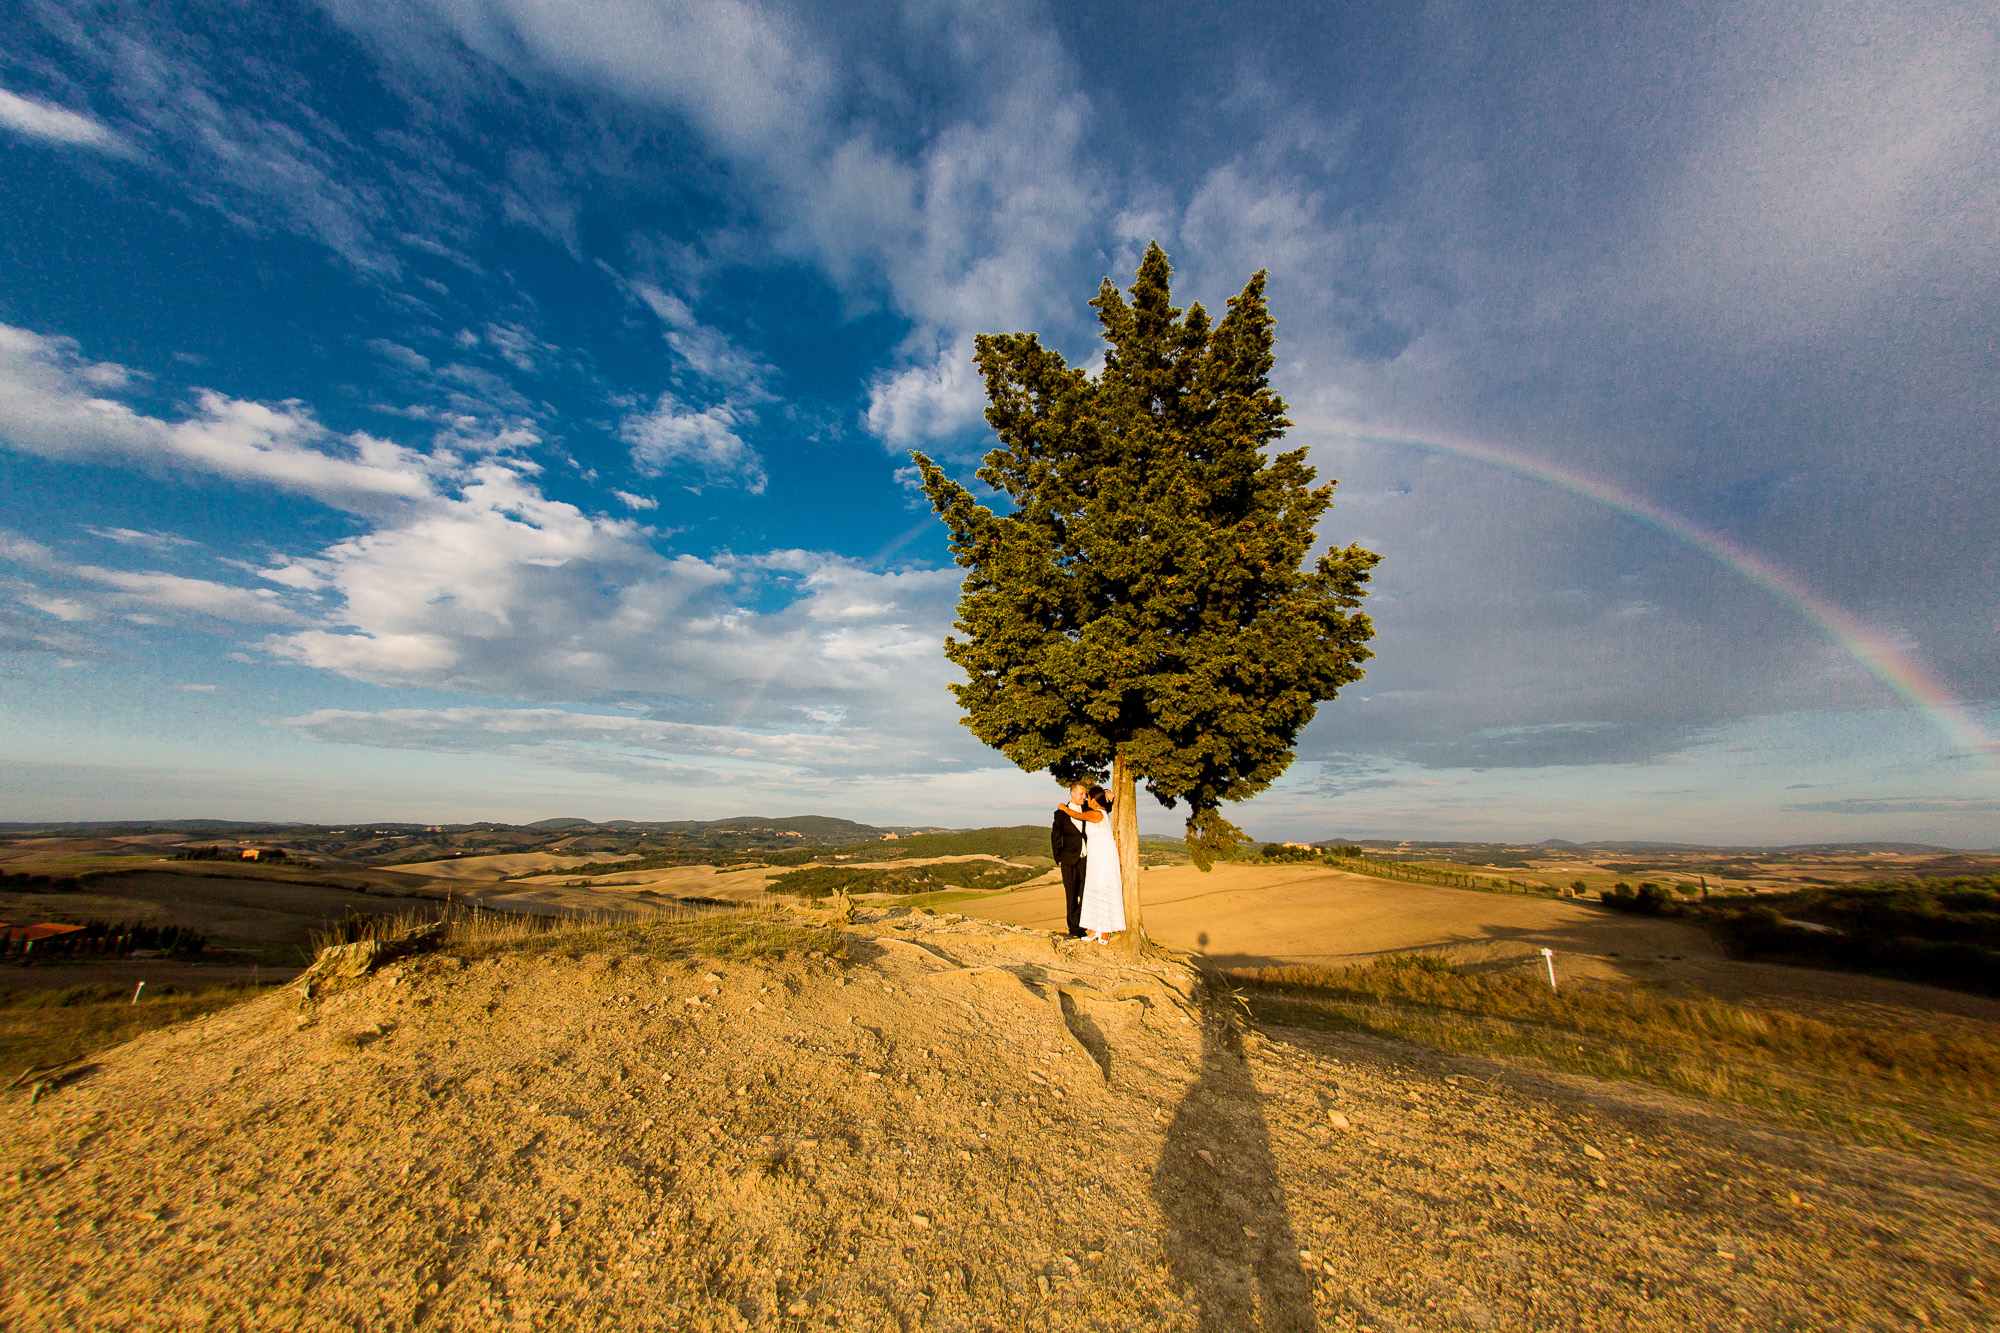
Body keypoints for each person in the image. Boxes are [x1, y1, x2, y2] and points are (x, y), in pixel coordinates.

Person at [1057, 785, 1124, 943]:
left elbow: (1076, 815)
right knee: (1093, 891)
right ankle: (1094, 929)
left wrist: (1063, 808)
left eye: (1089, 797)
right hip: (1094, 857)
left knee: (1103, 890)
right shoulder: (1095, 809)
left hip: (1104, 857)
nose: (1086, 799)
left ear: (1094, 800)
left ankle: (1105, 930)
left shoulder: (1097, 813)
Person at [1049, 782, 1090, 939]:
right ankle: (1074, 928)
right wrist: (1058, 857)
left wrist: (1106, 792)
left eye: (1085, 794)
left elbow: (1104, 807)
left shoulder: (1088, 809)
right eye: (1081, 794)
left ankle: (1082, 922)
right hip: (1068, 859)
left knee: (1086, 892)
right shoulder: (1060, 814)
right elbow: (1056, 836)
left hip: (1086, 858)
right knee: (1071, 894)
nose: (1084, 797)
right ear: (1072, 794)